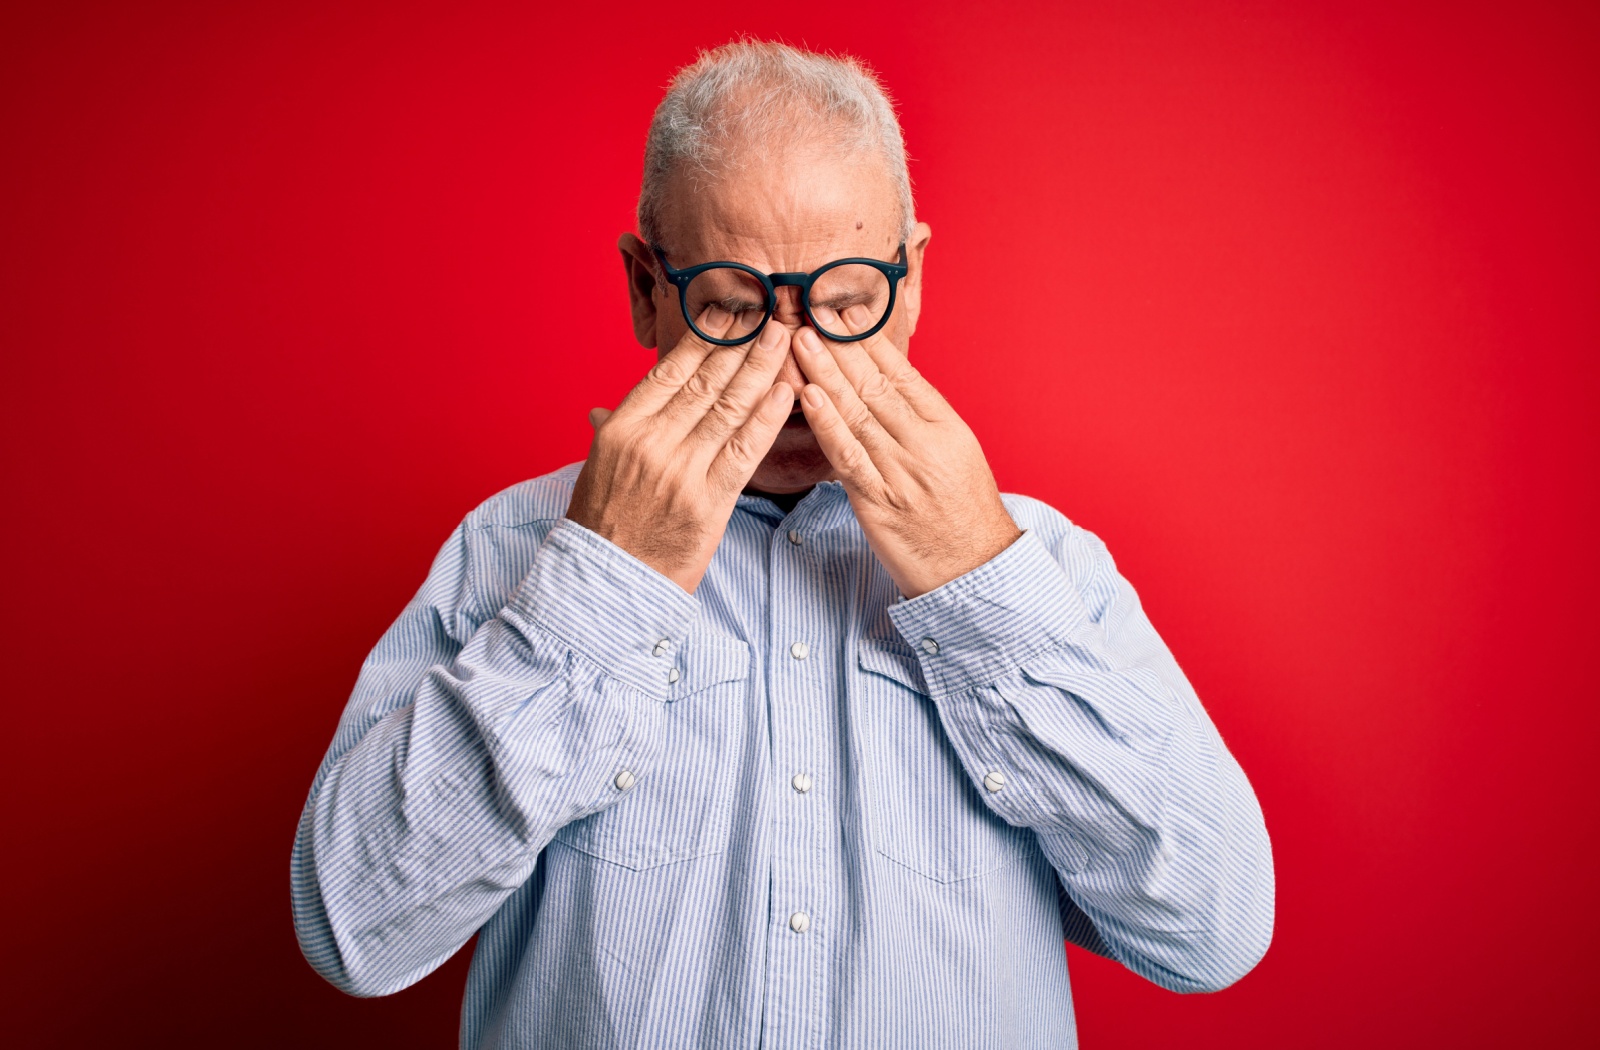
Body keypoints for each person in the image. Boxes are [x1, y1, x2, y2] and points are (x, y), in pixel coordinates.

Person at [291, 40, 1274, 1050]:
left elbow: (1210, 933)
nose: (796, 366)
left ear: (914, 278)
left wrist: (978, 583)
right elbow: (354, 932)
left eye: (848, 302)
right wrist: (604, 585)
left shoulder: (1048, 568)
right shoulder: (511, 549)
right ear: (644, 289)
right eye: (732, 305)